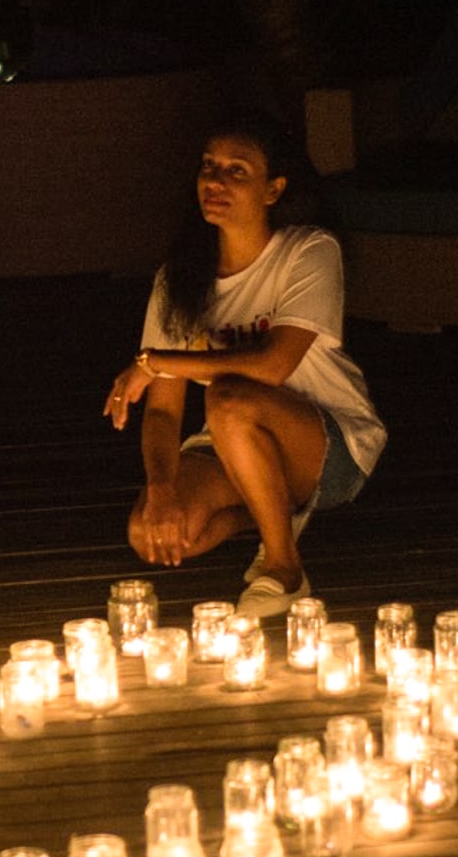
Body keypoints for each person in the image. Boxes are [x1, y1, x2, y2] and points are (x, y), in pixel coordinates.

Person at [105, 111, 386, 618]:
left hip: (331, 448)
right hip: (231, 439)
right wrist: (162, 488)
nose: (215, 180)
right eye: (209, 167)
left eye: (237, 171)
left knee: (227, 396)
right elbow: (165, 414)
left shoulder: (309, 251)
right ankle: (274, 511)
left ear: (273, 190)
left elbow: (273, 366)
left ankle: (284, 567)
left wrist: (153, 362)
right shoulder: (180, 279)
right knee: (152, 530)